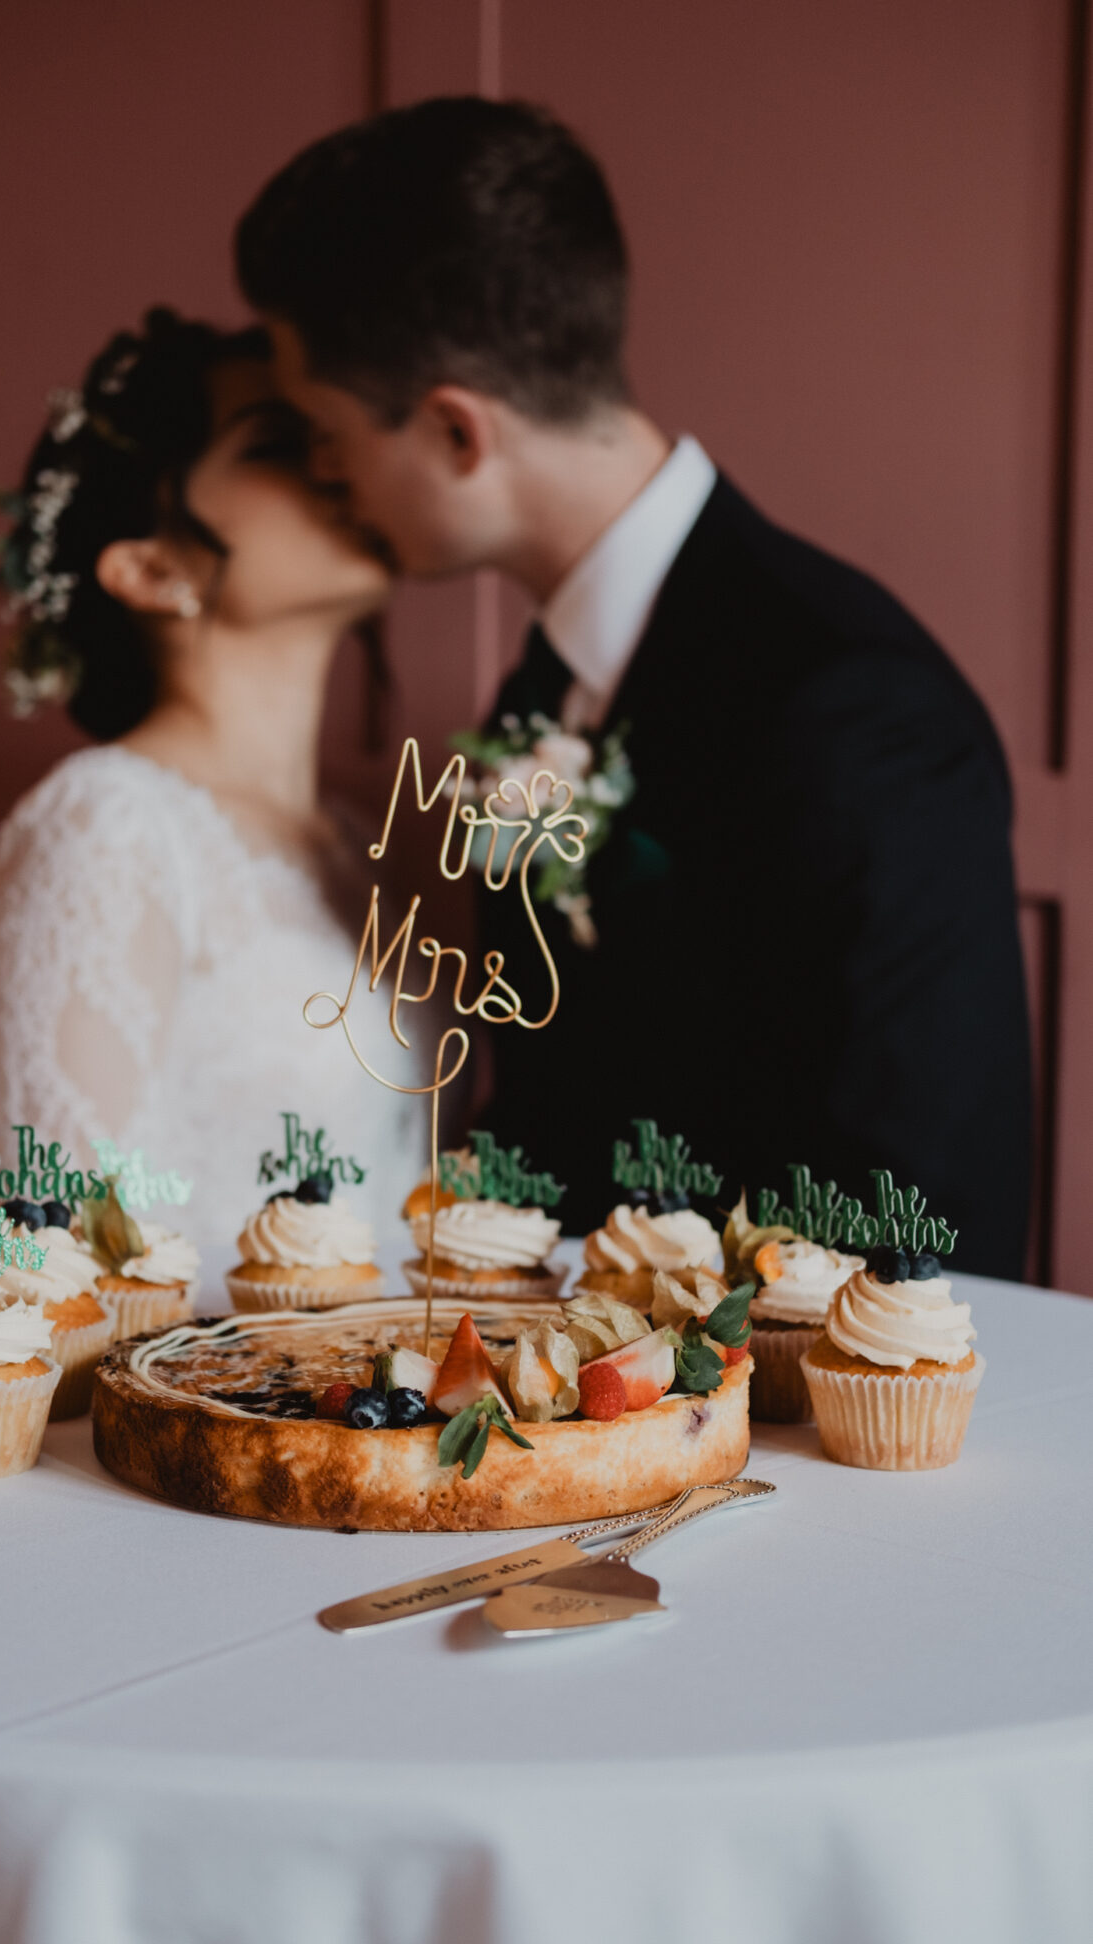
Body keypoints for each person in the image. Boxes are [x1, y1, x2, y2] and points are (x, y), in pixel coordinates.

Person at [234, 97, 1032, 1275]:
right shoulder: (540, 689)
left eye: (326, 429)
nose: (324, 472)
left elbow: (922, 1235)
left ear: (457, 433)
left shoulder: (857, 710)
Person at [0, 308, 426, 1250]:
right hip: (206, 1386)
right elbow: (67, 1244)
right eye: (277, 445)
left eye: (329, 434)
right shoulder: (104, 824)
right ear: (152, 568)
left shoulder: (354, 843)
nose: (337, 464)